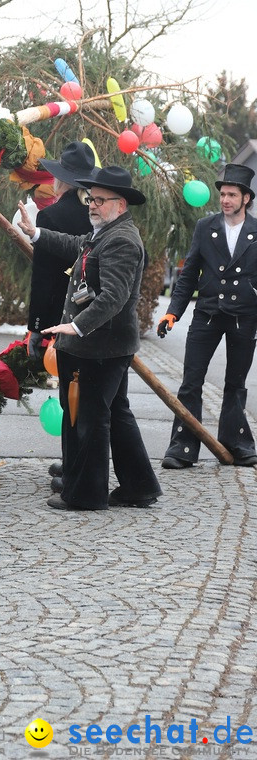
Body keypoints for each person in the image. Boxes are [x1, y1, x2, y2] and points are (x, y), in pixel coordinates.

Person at [16, 165, 162, 511]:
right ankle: (139, 485)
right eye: (90, 199)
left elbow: (113, 297)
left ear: (120, 204)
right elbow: (75, 244)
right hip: (102, 345)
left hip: (99, 347)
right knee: (115, 413)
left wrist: (76, 326)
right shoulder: (105, 233)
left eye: (99, 200)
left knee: (89, 418)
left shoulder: (122, 241)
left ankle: (86, 495)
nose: (92, 205)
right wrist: (35, 233)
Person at [158, 162, 257, 469]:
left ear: (246, 199)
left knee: (236, 383)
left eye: (232, 195)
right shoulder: (206, 226)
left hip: (245, 316)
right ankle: (183, 447)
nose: (225, 200)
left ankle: (236, 442)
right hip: (208, 314)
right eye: (223, 194)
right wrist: (173, 312)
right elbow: (188, 275)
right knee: (191, 381)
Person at [25, 141, 95, 492]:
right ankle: (74, 460)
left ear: (60, 181)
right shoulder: (95, 214)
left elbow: (43, 279)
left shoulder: (49, 217)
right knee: (88, 396)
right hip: (94, 314)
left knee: (71, 391)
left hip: (60, 313)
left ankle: (75, 466)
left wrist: (36, 328)